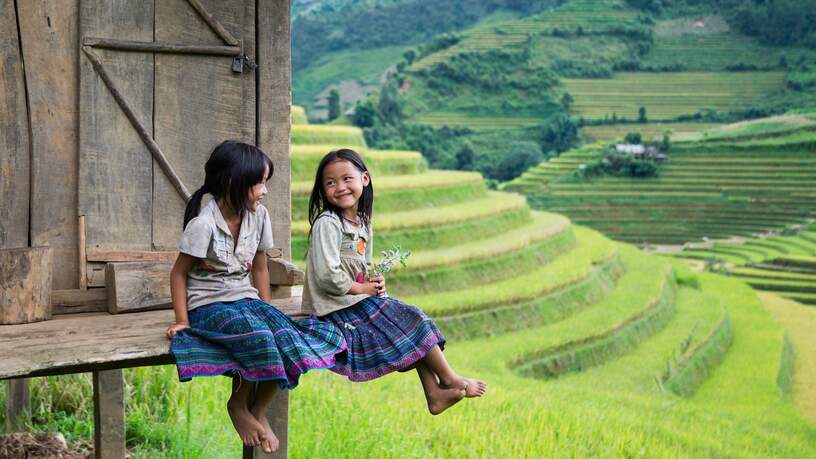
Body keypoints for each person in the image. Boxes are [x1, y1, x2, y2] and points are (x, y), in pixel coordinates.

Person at [166, 141, 346, 453]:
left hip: (246, 298)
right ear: (231, 183)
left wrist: (265, 306)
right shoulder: (203, 224)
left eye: (265, 182)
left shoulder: (258, 216)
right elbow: (179, 273)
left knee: (286, 337)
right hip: (209, 305)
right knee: (260, 337)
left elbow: (260, 266)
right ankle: (237, 405)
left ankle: (258, 411)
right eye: (259, 183)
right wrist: (182, 321)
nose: (264, 190)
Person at [302, 148, 487, 415]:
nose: (339, 187)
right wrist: (362, 288)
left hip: (355, 300)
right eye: (330, 182)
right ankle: (448, 379)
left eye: (346, 179)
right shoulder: (328, 223)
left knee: (409, 324)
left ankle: (434, 394)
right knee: (411, 320)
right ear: (322, 189)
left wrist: (374, 284)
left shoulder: (362, 223)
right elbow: (326, 274)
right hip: (332, 309)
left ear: (364, 180)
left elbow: (363, 266)